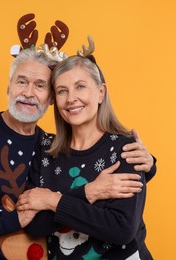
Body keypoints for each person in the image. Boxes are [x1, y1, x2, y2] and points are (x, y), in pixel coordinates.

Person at [0, 46, 155, 259]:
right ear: (8, 87)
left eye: (41, 85)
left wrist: (148, 166)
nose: (29, 93)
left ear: (50, 99)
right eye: (21, 82)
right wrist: (87, 192)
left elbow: (121, 222)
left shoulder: (46, 144)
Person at [17, 46, 154, 259]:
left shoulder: (125, 149)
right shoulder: (45, 150)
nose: (71, 98)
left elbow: (121, 229)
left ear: (101, 93)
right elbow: (33, 225)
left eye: (80, 87)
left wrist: (52, 201)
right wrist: (90, 192)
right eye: (62, 90)